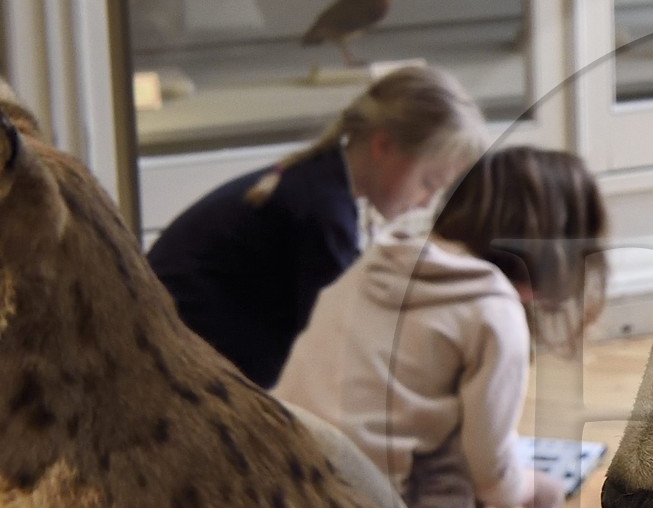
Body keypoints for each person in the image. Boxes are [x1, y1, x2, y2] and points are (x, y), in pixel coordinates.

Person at [277, 145, 608, 508]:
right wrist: (536, 489)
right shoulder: (494, 310)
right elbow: (491, 475)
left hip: (280, 480)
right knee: (459, 458)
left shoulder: (377, 262)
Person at [148, 67, 485, 388]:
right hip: (175, 370)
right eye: (428, 182)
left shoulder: (317, 184)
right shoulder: (322, 215)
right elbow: (347, 347)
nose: (426, 203)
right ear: (383, 146)